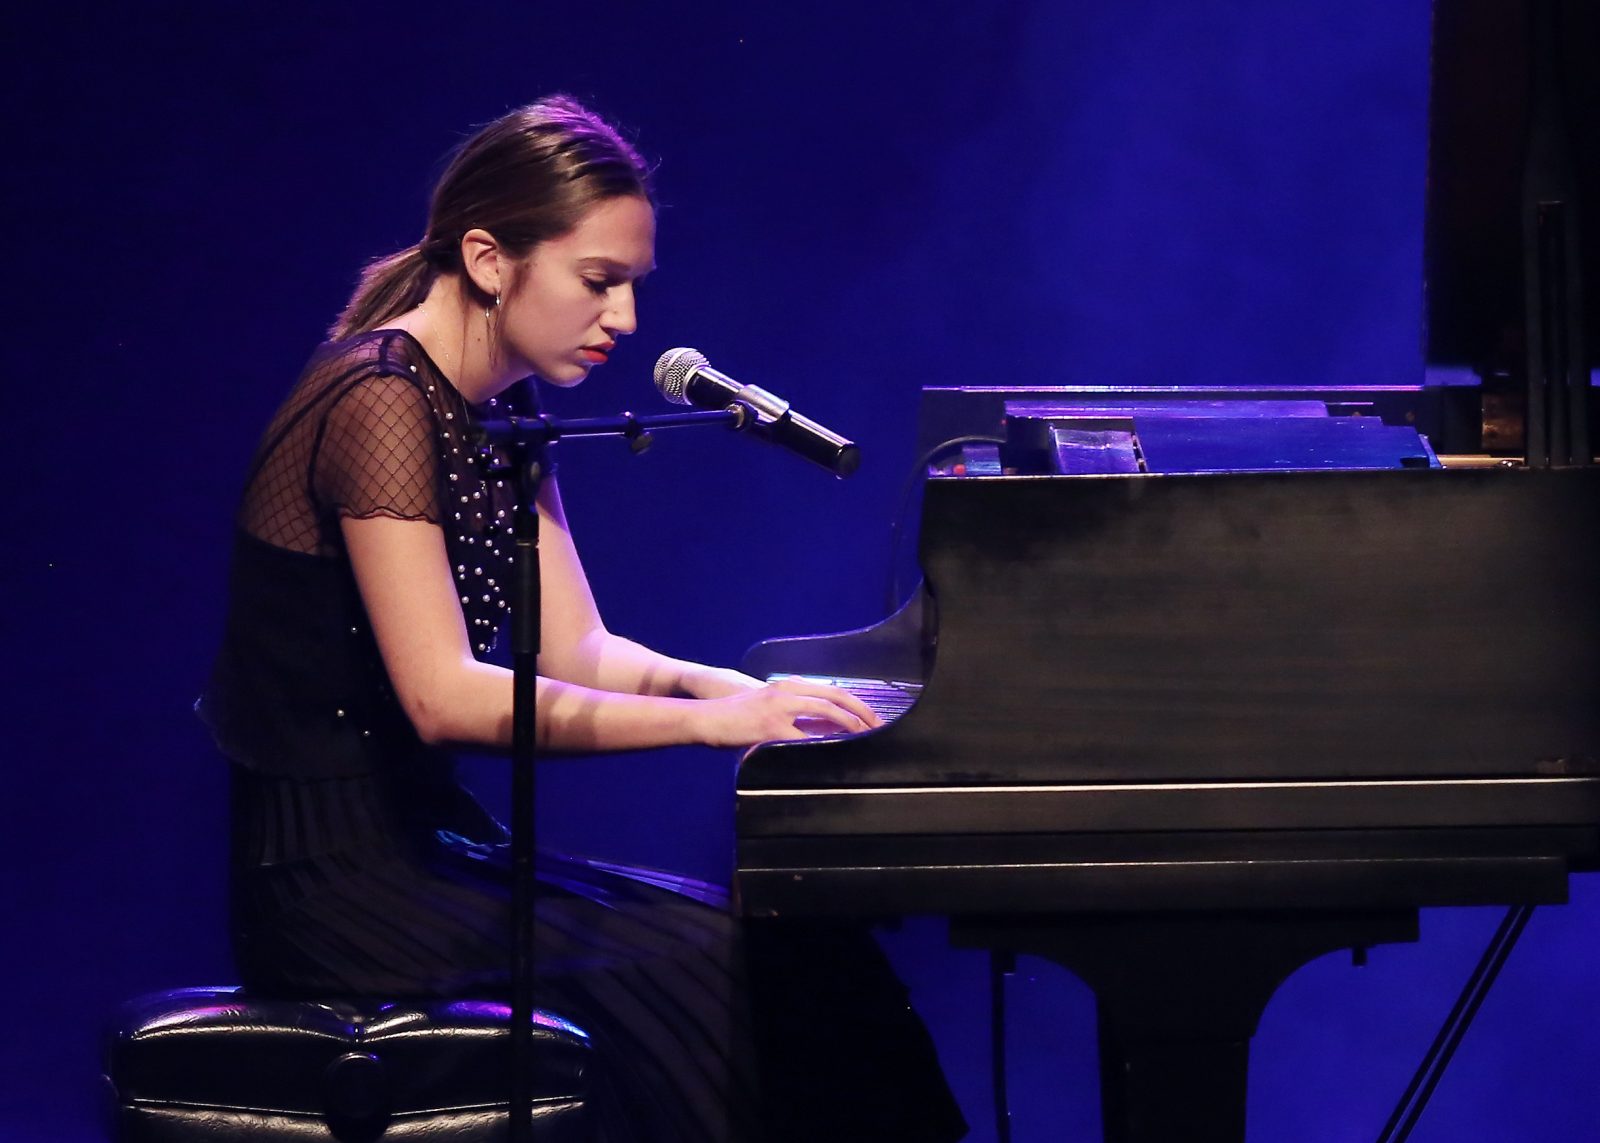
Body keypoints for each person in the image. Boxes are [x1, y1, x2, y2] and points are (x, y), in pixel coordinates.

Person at [198, 95, 967, 1142]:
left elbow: (579, 648)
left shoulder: (500, 407)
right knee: (726, 977)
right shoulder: (377, 399)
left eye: (632, 285)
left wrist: (739, 692)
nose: (627, 319)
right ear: (488, 259)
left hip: (431, 849)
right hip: (333, 883)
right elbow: (441, 697)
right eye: (599, 281)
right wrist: (709, 725)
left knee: (802, 948)